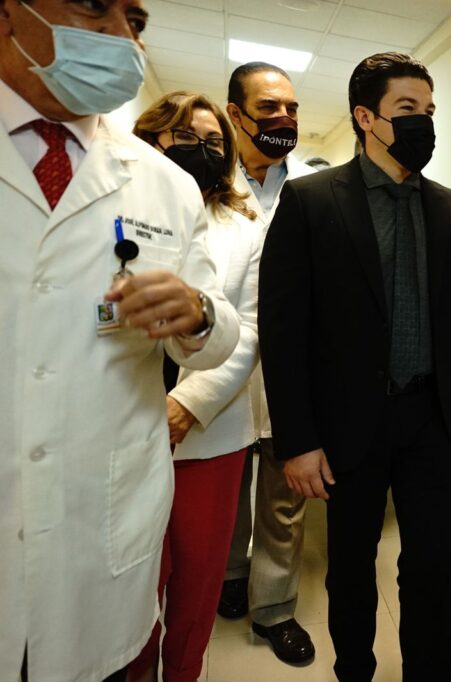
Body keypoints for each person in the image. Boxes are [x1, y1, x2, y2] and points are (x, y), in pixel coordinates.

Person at [258, 51, 451, 680]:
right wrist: (299, 441)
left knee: (430, 567)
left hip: (434, 422)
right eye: (407, 108)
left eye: (429, 110)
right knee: (350, 565)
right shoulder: (312, 200)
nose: (423, 121)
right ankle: (355, 670)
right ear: (366, 117)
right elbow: (282, 330)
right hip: (349, 423)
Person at [0, 1, 240, 680]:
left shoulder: (165, 183)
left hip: (100, 523)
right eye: (92, 5)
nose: (121, 36)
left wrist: (196, 312)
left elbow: (220, 331)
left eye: (135, 20)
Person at [126, 91, 262, 682]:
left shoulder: (246, 230)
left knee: (199, 575)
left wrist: (187, 403)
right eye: (185, 137)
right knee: (134, 578)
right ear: (151, 139)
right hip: (125, 423)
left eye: (212, 142)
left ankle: (183, 671)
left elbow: (250, 329)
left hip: (211, 432)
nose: (201, 150)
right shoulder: (118, 208)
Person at [218, 60, 316, 665]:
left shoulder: (312, 188)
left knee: (283, 496)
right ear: (236, 113)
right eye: (268, 108)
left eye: (292, 108)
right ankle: (230, 576)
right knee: (227, 484)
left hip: (291, 367)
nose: (284, 118)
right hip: (221, 362)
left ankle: (274, 607)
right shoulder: (205, 181)